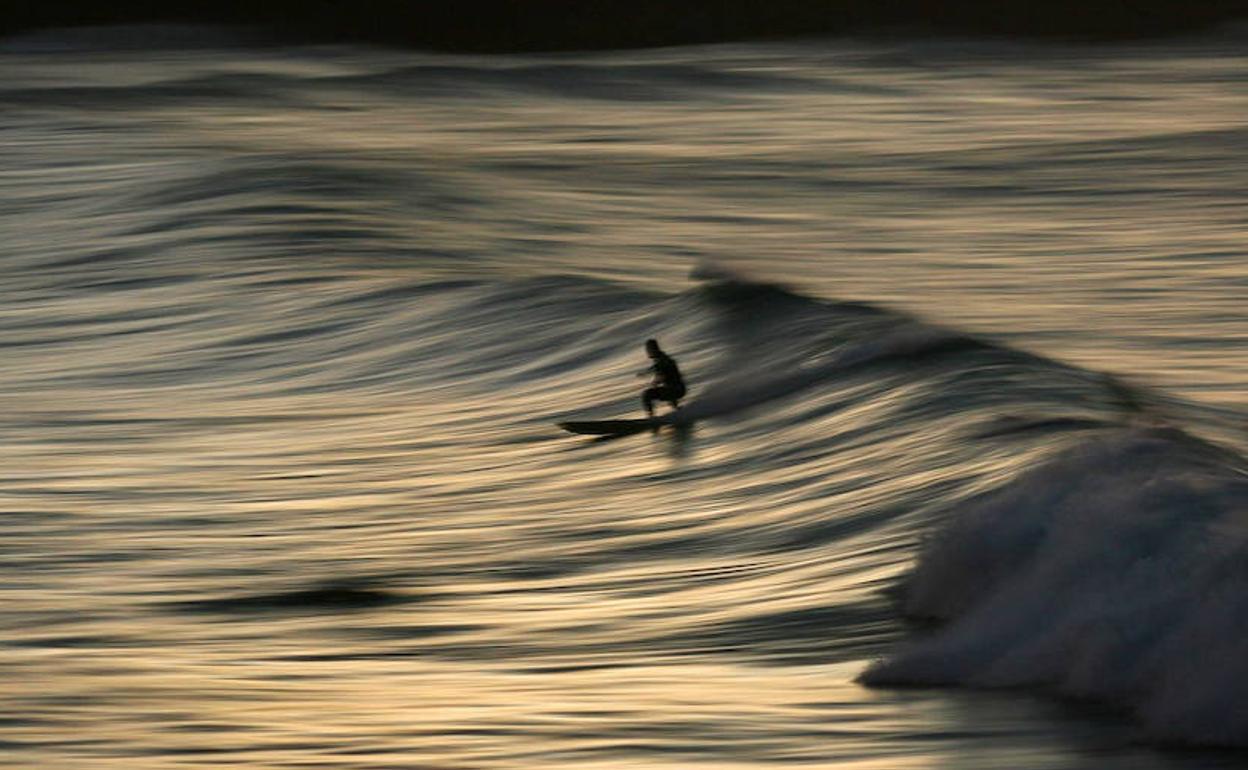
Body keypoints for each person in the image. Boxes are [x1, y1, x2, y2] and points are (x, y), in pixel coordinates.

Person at [638, 339, 686, 418]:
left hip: (676, 390)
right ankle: (678, 411)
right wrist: (645, 373)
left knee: (647, 394)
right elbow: (656, 368)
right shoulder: (661, 358)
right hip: (678, 389)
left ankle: (651, 418)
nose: (647, 352)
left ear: (653, 349)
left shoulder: (662, 360)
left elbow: (662, 375)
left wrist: (655, 383)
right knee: (666, 388)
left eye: (648, 349)